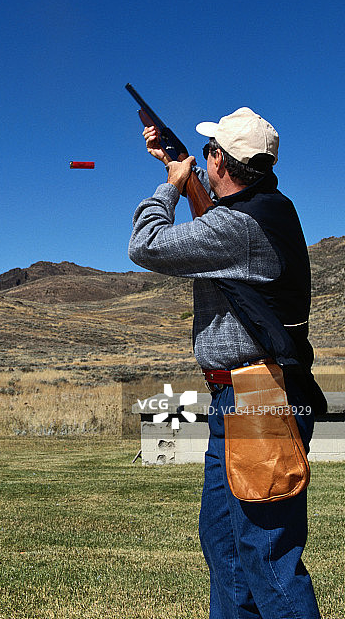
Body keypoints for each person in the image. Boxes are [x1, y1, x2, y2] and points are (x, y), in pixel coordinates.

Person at [128, 106, 323, 619]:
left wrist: (171, 184)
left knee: (267, 557)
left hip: (257, 396)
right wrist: (175, 164)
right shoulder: (263, 210)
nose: (204, 160)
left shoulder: (239, 226)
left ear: (219, 160)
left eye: (208, 152)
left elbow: (145, 245)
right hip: (239, 396)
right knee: (226, 547)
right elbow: (211, 220)